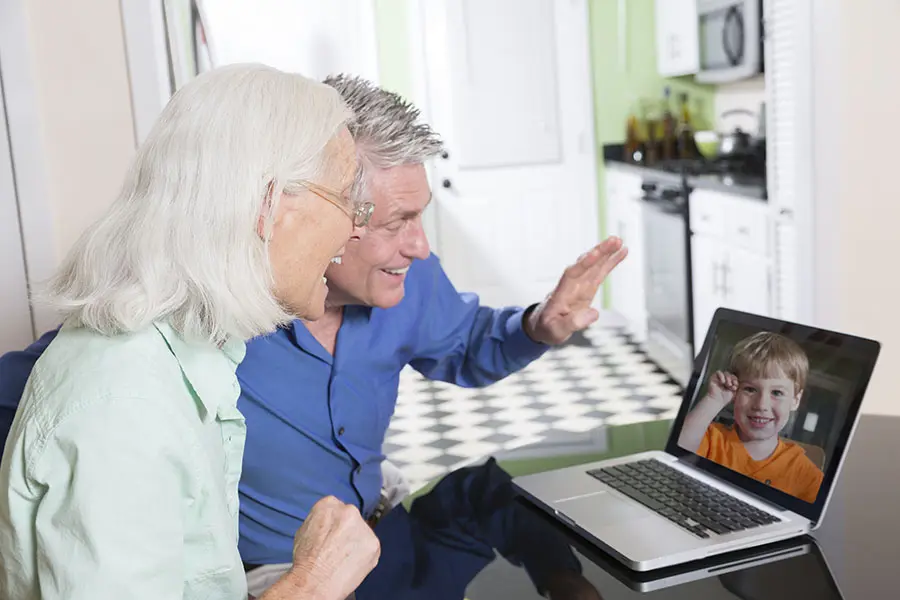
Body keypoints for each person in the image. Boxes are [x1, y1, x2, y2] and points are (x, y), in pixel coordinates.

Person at [0, 75, 625, 599]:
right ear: (269, 206)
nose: (417, 245)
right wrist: (313, 582)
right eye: (357, 211)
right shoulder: (130, 387)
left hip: (386, 537)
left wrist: (537, 325)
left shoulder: (199, 353)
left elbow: (468, 343)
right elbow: (58, 404)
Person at [0, 64, 381, 600]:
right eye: (345, 197)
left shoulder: (179, 356)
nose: (357, 226)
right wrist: (313, 583)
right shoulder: (123, 410)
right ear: (268, 205)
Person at [678, 331, 824, 503]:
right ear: (734, 392)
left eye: (776, 392)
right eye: (750, 389)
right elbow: (677, 452)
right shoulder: (710, 438)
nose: (761, 405)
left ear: (795, 400)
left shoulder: (807, 475)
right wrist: (713, 400)